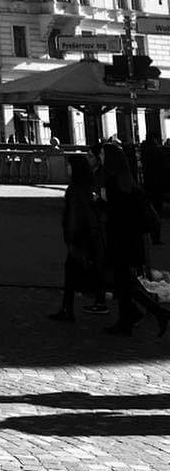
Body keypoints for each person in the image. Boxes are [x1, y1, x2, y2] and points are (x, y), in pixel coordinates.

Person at [101, 143, 169, 337]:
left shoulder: (113, 182)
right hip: (132, 240)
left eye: (104, 155)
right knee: (125, 282)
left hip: (119, 238)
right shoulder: (129, 183)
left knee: (123, 282)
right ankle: (130, 317)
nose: (101, 158)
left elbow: (115, 213)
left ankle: (150, 313)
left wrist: (101, 205)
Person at [48, 155, 107, 322]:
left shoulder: (75, 190)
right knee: (92, 272)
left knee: (73, 274)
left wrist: (72, 239)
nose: (67, 169)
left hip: (79, 238)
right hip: (91, 236)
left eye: (69, 166)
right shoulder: (88, 186)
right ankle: (74, 306)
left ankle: (68, 309)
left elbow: (75, 216)